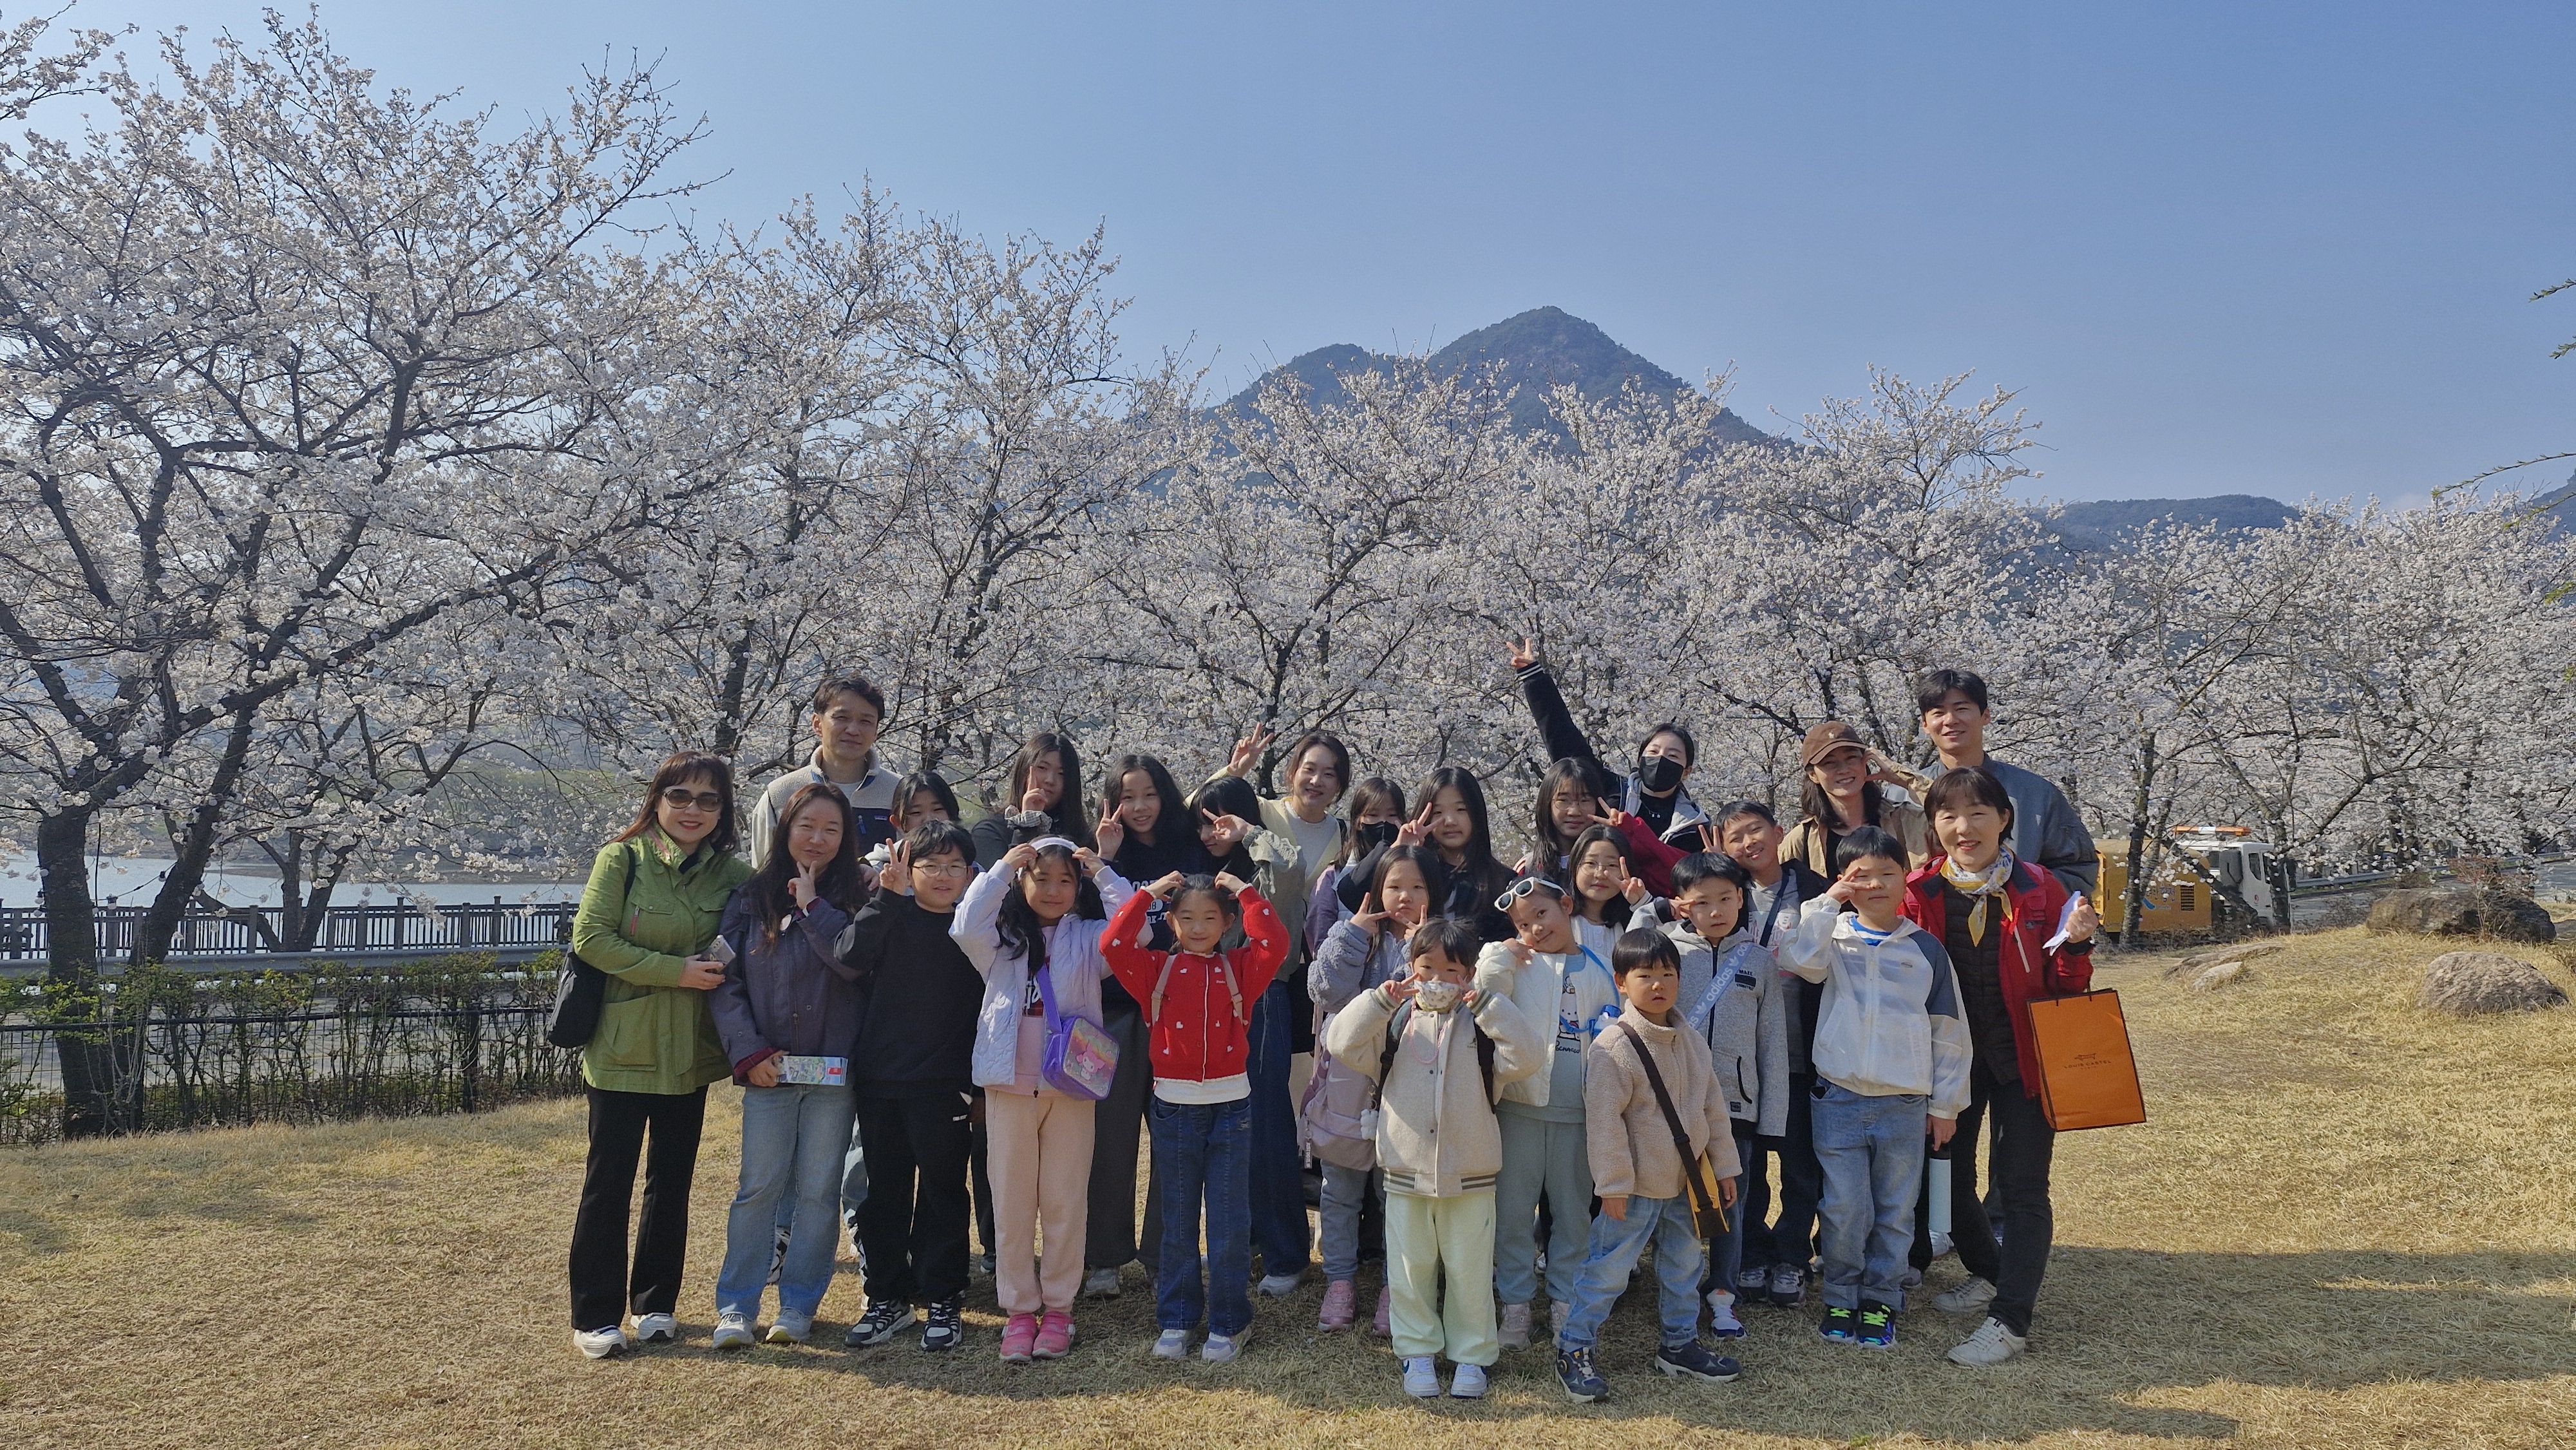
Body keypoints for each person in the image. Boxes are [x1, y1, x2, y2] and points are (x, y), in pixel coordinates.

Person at [1902, 766, 2098, 1366]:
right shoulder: (1920, 892)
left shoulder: (2043, 889)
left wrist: (2079, 946)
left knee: (2021, 1188)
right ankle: (1989, 1271)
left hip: (2026, 1058)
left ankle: (2010, 1320)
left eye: (1978, 813)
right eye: (1949, 816)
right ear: (1935, 827)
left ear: (2004, 818)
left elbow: (2069, 984)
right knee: (1948, 1184)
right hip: (1954, 1062)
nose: (1965, 828)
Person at [565, 752, 755, 1359]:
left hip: (690, 1055)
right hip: (622, 1049)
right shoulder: (620, 859)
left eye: (708, 800)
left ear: (724, 811)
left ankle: (656, 1305)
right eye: (680, 796)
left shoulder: (731, 875)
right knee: (608, 1183)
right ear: (657, 800)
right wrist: (676, 972)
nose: (692, 809)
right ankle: (596, 1314)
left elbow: (758, 928)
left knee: (671, 1184)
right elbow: (591, 939)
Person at [1325, 918, 1541, 1400]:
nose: (1439, 979)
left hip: (1472, 1172)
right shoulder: (1396, 1022)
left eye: (1452, 970)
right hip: (1405, 1171)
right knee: (1409, 1268)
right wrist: (1381, 1000)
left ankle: (1472, 1357)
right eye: (1427, 968)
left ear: (1468, 975)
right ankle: (1417, 1351)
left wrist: (1489, 1004)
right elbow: (1339, 1042)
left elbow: (1527, 1057)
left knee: (1469, 1270)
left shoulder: (1483, 1024)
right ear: (1411, 968)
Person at [1781, 825, 1971, 1352]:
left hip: (1904, 1103)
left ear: (1905, 877)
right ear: (1846, 882)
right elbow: (1798, 961)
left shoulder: (1925, 950)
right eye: (1862, 876)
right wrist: (1827, 902)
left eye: (1888, 873)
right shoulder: (1832, 936)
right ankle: (1841, 1293)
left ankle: (1882, 1298)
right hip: (1838, 1098)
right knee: (1843, 1206)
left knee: (1895, 1209)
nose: (1876, 885)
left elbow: (1949, 1032)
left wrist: (1946, 1105)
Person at [952, 836, 1134, 1363]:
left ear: (1078, 889)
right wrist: (1004, 868)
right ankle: (1018, 1311)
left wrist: (1102, 871)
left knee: (1063, 1201)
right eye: (1041, 878)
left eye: (1065, 880)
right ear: (1023, 882)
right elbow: (964, 925)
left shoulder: (1088, 937)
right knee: (1010, 1202)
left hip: (1072, 1086)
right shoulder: (1002, 937)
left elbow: (1135, 930)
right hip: (1008, 1084)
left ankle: (1058, 1310)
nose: (1054, 889)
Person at [1102, 870, 1292, 1364]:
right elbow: (1114, 944)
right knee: (1178, 1223)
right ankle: (1178, 1318)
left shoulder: (1239, 969)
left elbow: (1274, 942)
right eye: (1186, 917)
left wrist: (1249, 893)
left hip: (1232, 1109)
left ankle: (1231, 1322)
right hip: (1175, 1109)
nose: (1199, 926)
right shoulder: (1154, 970)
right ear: (1171, 923)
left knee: (1229, 1225)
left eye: (1211, 917)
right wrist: (1146, 892)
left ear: (1229, 923)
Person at [1552, 928, 1743, 1404]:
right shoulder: (1613, 1047)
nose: (1658, 985)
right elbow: (1605, 1123)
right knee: (1607, 1271)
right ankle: (1574, 1348)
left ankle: (1679, 1344)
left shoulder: (1692, 1042)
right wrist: (1613, 1184)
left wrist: (1724, 1168)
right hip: (1634, 1188)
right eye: (1645, 976)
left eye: (1668, 974)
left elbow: (1713, 1110)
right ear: (1622, 981)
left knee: (1683, 1267)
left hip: (1687, 1183)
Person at [707, 782, 866, 1350]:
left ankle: (798, 1306)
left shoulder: (858, 896)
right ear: (784, 829)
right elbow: (723, 980)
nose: (818, 839)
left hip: (834, 1074)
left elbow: (855, 969)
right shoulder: (751, 898)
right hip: (769, 1070)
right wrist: (749, 1054)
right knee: (759, 1187)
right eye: (807, 826)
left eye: (832, 829)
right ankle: (736, 1307)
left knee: (821, 1191)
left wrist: (812, 906)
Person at [1213, 728, 1354, 1298]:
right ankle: (1247, 1240)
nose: (1315, 780)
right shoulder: (1261, 809)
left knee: (1269, 1117)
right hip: (1222, 971)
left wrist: (1253, 837)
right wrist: (1232, 774)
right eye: (1308, 767)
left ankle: (1286, 1249)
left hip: (1281, 979)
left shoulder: (1341, 836)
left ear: (1340, 787)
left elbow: (1294, 876)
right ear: (1291, 769)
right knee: (1231, 1116)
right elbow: (1193, 819)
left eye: (1328, 773)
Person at [842, 820, 985, 1353]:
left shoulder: (975, 930)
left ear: (971, 874)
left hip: (946, 1086)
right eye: (931, 866)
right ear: (911, 869)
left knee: (945, 1194)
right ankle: (887, 1299)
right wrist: (887, 894)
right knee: (884, 1194)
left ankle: (944, 1296)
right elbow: (850, 955)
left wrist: (979, 1090)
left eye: (955, 866)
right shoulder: (890, 914)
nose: (943, 876)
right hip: (881, 1080)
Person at [1081, 751, 1213, 1297]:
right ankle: (1104, 1257)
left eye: (1149, 794)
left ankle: (1169, 1251)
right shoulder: (1098, 857)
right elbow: (1099, 932)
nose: (1139, 807)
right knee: (1109, 1139)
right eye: (1127, 796)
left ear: (1166, 795)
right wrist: (1105, 861)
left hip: (1177, 1012)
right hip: (1113, 1011)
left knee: (1175, 1140)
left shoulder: (1189, 850)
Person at [1474, 874, 1620, 1350]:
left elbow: (1614, 1037)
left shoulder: (1599, 971)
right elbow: (1481, 994)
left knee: (1573, 1215)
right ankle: (1516, 1307)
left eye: (1542, 915)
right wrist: (1502, 952)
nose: (1535, 929)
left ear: (1567, 906)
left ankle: (1564, 1304)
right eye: (1522, 923)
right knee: (1513, 1214)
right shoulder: (1518, 963)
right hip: (1518, 1109)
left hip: (1577, 1117)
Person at [1645, 851, 1785, 1342]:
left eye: (1727, 898)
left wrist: (1773, 1120)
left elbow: (1772, 1044)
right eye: (1702, 902)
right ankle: (1673, 1292)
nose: (1717, 910)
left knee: (1732, 1204)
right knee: (1671, 1202)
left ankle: (1723, 1295)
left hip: (1737, 1105)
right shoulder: (1665, 954)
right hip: (1672, 1104)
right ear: (1683, 907)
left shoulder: (1760, 960)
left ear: (1741, 899)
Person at [1303, 843, 1442, 1335]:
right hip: (1347, 1088)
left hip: (1408, 1092)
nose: (1405, 896)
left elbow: (1429, 1000)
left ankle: (1394, 1286)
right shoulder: (1357, 934)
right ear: (1378, 889)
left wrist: (1421, 945)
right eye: (1395, 886)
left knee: (1396, 1196)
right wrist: (1351, 934)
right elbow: (1325, 991)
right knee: (1339, 1191)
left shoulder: (1438, 944)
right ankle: (1339, 1282)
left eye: (1417, 886)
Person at [1718, 796, 1832, 1309]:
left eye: (1756, 830)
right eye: (1736, 836)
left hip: (1799, 1051)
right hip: (1742, 1056)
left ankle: (1791, 1257)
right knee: (1747, 1165)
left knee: (1798, 1164)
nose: (1749, 843)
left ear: (1778, 830)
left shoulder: (1813, 890)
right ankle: (1754, 1254)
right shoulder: (1723, 895)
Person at [1915, 669, 2099, 898]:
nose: (1950, 720)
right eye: (1938, 713)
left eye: (1962, 709)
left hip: (2017, 925)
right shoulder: (1903, 794)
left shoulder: (2036, 794)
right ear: (1925, 724)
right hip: (1926, 928)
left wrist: (2024, 895)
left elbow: (2078, 869)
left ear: (1986, 716)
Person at [1510, 638, 1708, 845]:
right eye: (1654, 752)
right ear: (1640, 759)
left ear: (1687, 771)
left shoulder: (1695, 825)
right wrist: (1534, 678)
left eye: (1672, 755)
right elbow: (1562, 736)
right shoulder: (1611, 790)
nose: (1661, 760)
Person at [1338, 766, 1515, 942]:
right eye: (1438, 812)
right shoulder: (1416, 869)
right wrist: (1397, 850)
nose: (1450, 821)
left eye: (1461, 810)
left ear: (1476, 813)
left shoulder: (1501, 881)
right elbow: (1349, 893)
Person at [750, 676, 900, 868]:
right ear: (817, 724)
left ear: (876, 731)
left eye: (866, 721)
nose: (853, 730)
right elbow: (763, 870)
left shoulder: (899, 792)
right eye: (841, 718)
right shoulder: (781, 793)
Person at [1779, 720, 1931, 874]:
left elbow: (1953, 813)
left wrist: (1904, 778)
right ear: (1813, 775)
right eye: (1830, 763)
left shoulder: (1906, 820)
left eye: (1851, 758)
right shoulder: (1802, 839)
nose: (1844, 769)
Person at [1304, 776, 1407, 953]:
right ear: (1359, 822)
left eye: (1392, 815)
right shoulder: (1333, 877)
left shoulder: (1415, 873)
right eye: (1373, 815)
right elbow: (1320, 946)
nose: (1383, 823)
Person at [971, 731, 1095, 869]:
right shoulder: (990, 831)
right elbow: (1005, 885)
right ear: (1024, 771)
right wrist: (1027, 825)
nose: (1050, 780)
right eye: (1042, 768)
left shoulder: (1081, 836)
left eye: (1062, 774)